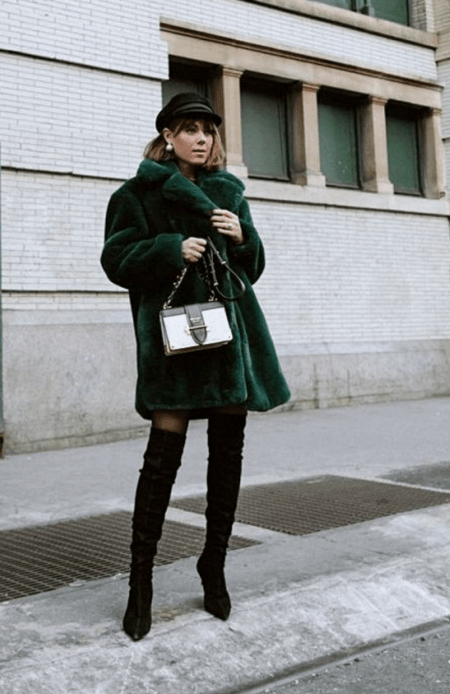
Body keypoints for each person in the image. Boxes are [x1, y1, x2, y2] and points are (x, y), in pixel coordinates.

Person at [101, 92, 290, 641]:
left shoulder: (230, 193)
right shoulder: (134, 195)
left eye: (208, 131)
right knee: (161, 462)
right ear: (168, 137)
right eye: (189, 130)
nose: (202, 140)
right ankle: (141, 582)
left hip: (230, 345)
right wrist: (166, 248)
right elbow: (115, 260)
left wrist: (242, 237)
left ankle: (215, 565)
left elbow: (251, 269)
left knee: (226, 460)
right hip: (174, 347)